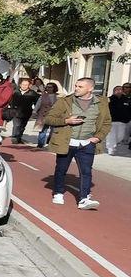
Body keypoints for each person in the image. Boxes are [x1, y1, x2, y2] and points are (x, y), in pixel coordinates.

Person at [43, 76, 112, 210]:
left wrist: (98, 137)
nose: (76, 88)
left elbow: (107, 123)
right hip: (67, 142)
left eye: (80, 86)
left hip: (87, 144)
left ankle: (84, 198)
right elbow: (49, 119)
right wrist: (66, 121)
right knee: (61, 169)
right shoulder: (64, 101)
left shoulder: (101, 103)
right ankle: (58, 192)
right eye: (76, 86)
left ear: (90, 88)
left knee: (86, 172)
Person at [11, 77, 40, 144]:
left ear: (29, 85)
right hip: (15, 111)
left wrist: (36, 111)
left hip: (26, 112)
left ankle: (19, 137)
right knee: (17, 125)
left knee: (22, 127)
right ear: (20, 85)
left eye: (26, 85)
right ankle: (14, 137)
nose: (24, 86)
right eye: (23, 84)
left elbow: (37, 102)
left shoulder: (32, 93)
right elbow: (10, 100)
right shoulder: (15, 92)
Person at [107, 83, 131, 155]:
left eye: (120, 90)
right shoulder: (109, 100)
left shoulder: (127, 100)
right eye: (117, 90)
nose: (118, 91)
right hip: (111, 121)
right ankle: (111, 149)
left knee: (120, 136)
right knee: (111, 135)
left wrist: (127, 118)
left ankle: (114, 143)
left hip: (122, 122)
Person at [35, 81, 59, 149]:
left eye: (50, 87)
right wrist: (34, 112)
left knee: (53, 130)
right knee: (43, 130)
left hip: (54, 116)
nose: (48, 89)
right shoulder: (42, 96)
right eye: (47, 87)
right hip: (44, 115)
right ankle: (40, 144)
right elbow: (38, 104)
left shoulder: (58, 97)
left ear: (54, 88)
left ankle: (49, 142)